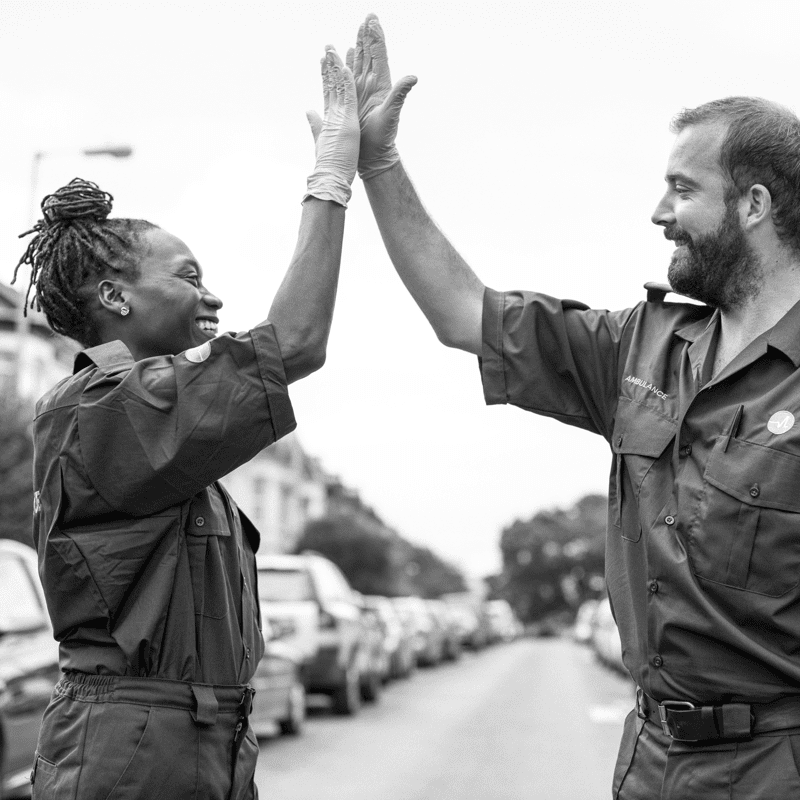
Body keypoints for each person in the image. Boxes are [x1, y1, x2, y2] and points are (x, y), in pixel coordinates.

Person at [348, 14, 800, 800]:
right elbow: (464, 314)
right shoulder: (639, 347)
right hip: (651, 759)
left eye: (683, 189)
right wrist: (378, 163)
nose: (658, 212)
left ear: (754, 205)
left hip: (776, 768)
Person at [14, 46, 358, 800]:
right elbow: (294, 343)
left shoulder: (137, 410)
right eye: (188, 276)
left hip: (193, 739)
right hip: (134, 747)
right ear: (115, 296)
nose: (212, 298)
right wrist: (331, 180)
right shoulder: (107, 409)